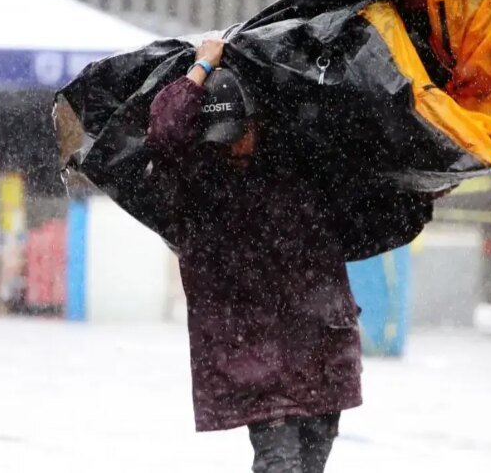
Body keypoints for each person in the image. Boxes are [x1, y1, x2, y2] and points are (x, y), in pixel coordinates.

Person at [144, 39, 362, 473]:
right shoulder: (200, 180)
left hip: (320, 342)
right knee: (280, 464)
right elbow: (165, 133)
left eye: (239, 135)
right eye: (222, 140)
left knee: (310, 464)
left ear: (258, 122)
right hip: (257, 354)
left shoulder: (299, 160)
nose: (232, 148)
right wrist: (202, 68)